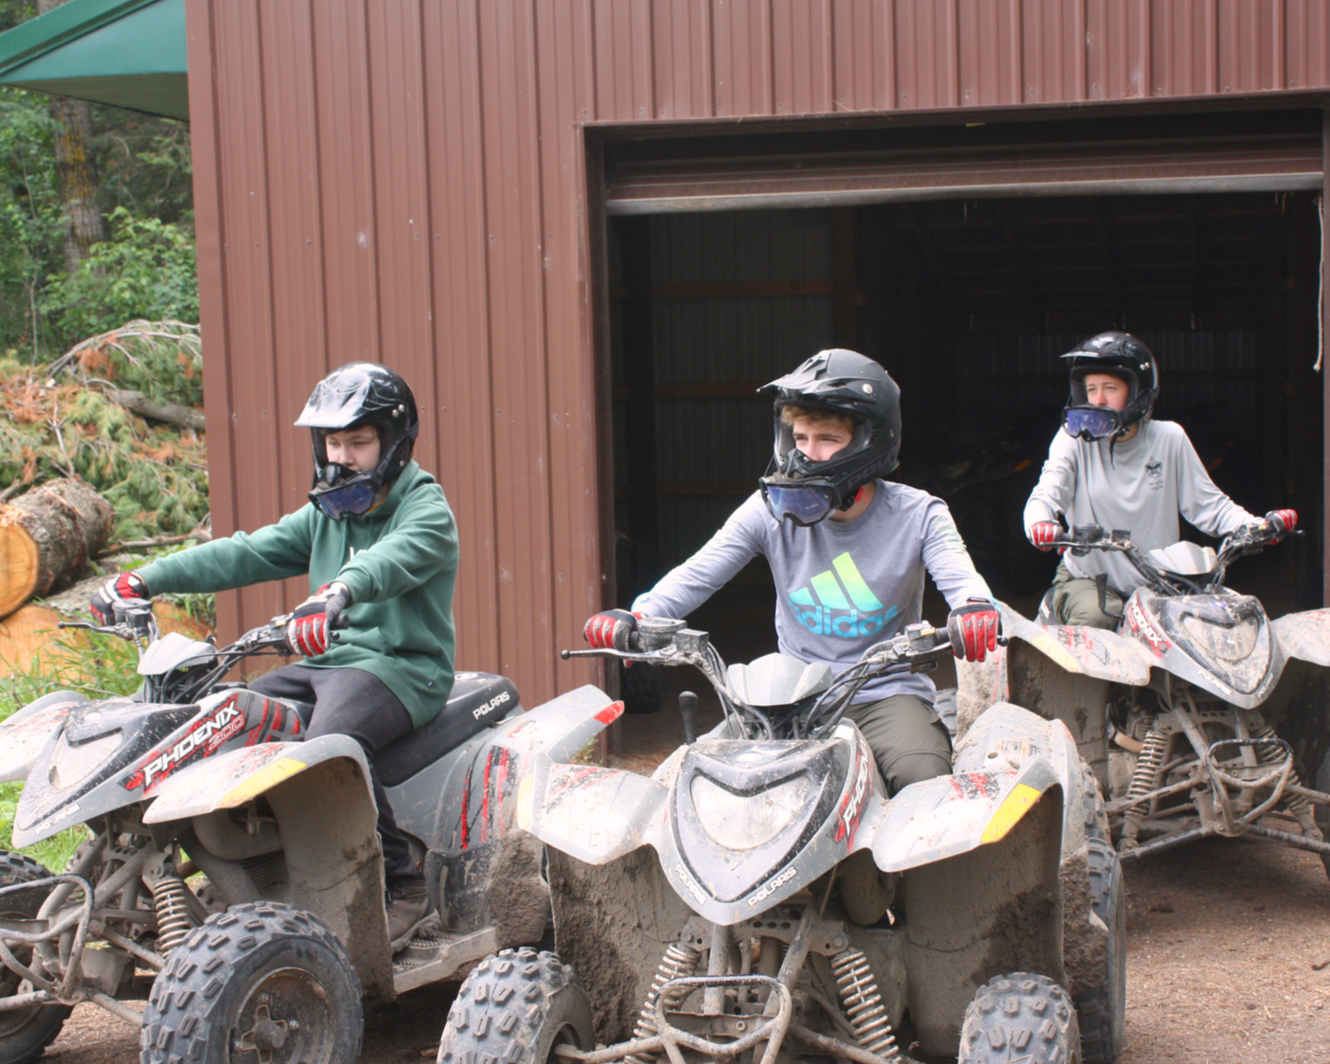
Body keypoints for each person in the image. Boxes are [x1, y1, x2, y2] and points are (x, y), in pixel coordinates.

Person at [90, 362, 458, 951]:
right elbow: (246, 553)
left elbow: (389, 560)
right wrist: (144, 578)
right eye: (332, 442)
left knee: (332, 745)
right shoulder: (328, 512)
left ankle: (403, 888)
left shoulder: (426, 508)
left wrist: (336, 593)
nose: (342, 457)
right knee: (218, 717)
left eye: (359, 443)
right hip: (325, 664)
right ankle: (253, 866)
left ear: (395, 443)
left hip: (399, 668)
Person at [584, 348, 1000, 798]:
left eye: (826, 439)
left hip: (885, 694)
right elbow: (698, 573)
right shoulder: (768, 510)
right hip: (786, 697)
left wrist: (974, 610)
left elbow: (964, 582)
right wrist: (639, 616)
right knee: (697, 784)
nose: (806, 455)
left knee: (925, 784)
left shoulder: (918, 514)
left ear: (872, 442)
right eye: (799, 438)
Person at [1023, 331, 1296, 628]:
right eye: (1091, 389)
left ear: (1138, 390)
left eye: (1110, 388)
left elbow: (1210, 505)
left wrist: (1257, 525)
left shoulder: (1170, 438)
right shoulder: (1072, 440)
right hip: (1091, 579)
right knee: (1096, 618)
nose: (1098, 399)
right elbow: (1048, 492)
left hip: (1162, 583)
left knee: (1214, 624)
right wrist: (1041, 523)